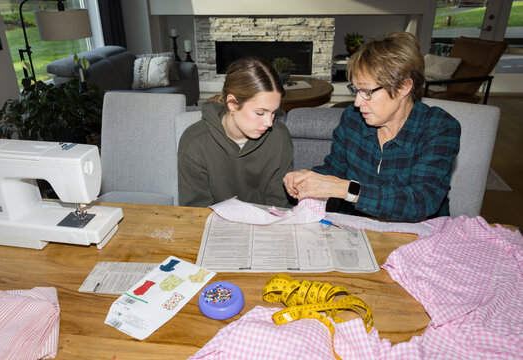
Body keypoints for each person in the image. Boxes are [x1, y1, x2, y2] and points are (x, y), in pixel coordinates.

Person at [283, 32, 461, 222]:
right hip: (356, 225)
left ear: (403, 87)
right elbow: (335, 169)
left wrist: (344, 189)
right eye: (356, 90)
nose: (358, 102)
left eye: (367, 91)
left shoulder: (439, 128)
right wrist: (308, 177)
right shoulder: (353, 119)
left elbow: (421, 200)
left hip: (417, 232)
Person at [178, 56, 293, 207]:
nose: (269, 123)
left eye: (274, 112)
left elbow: (278, 205)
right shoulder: (193, 143)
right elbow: (196, 212)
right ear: (232, 103)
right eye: (260, 113)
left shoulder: (280, 136)